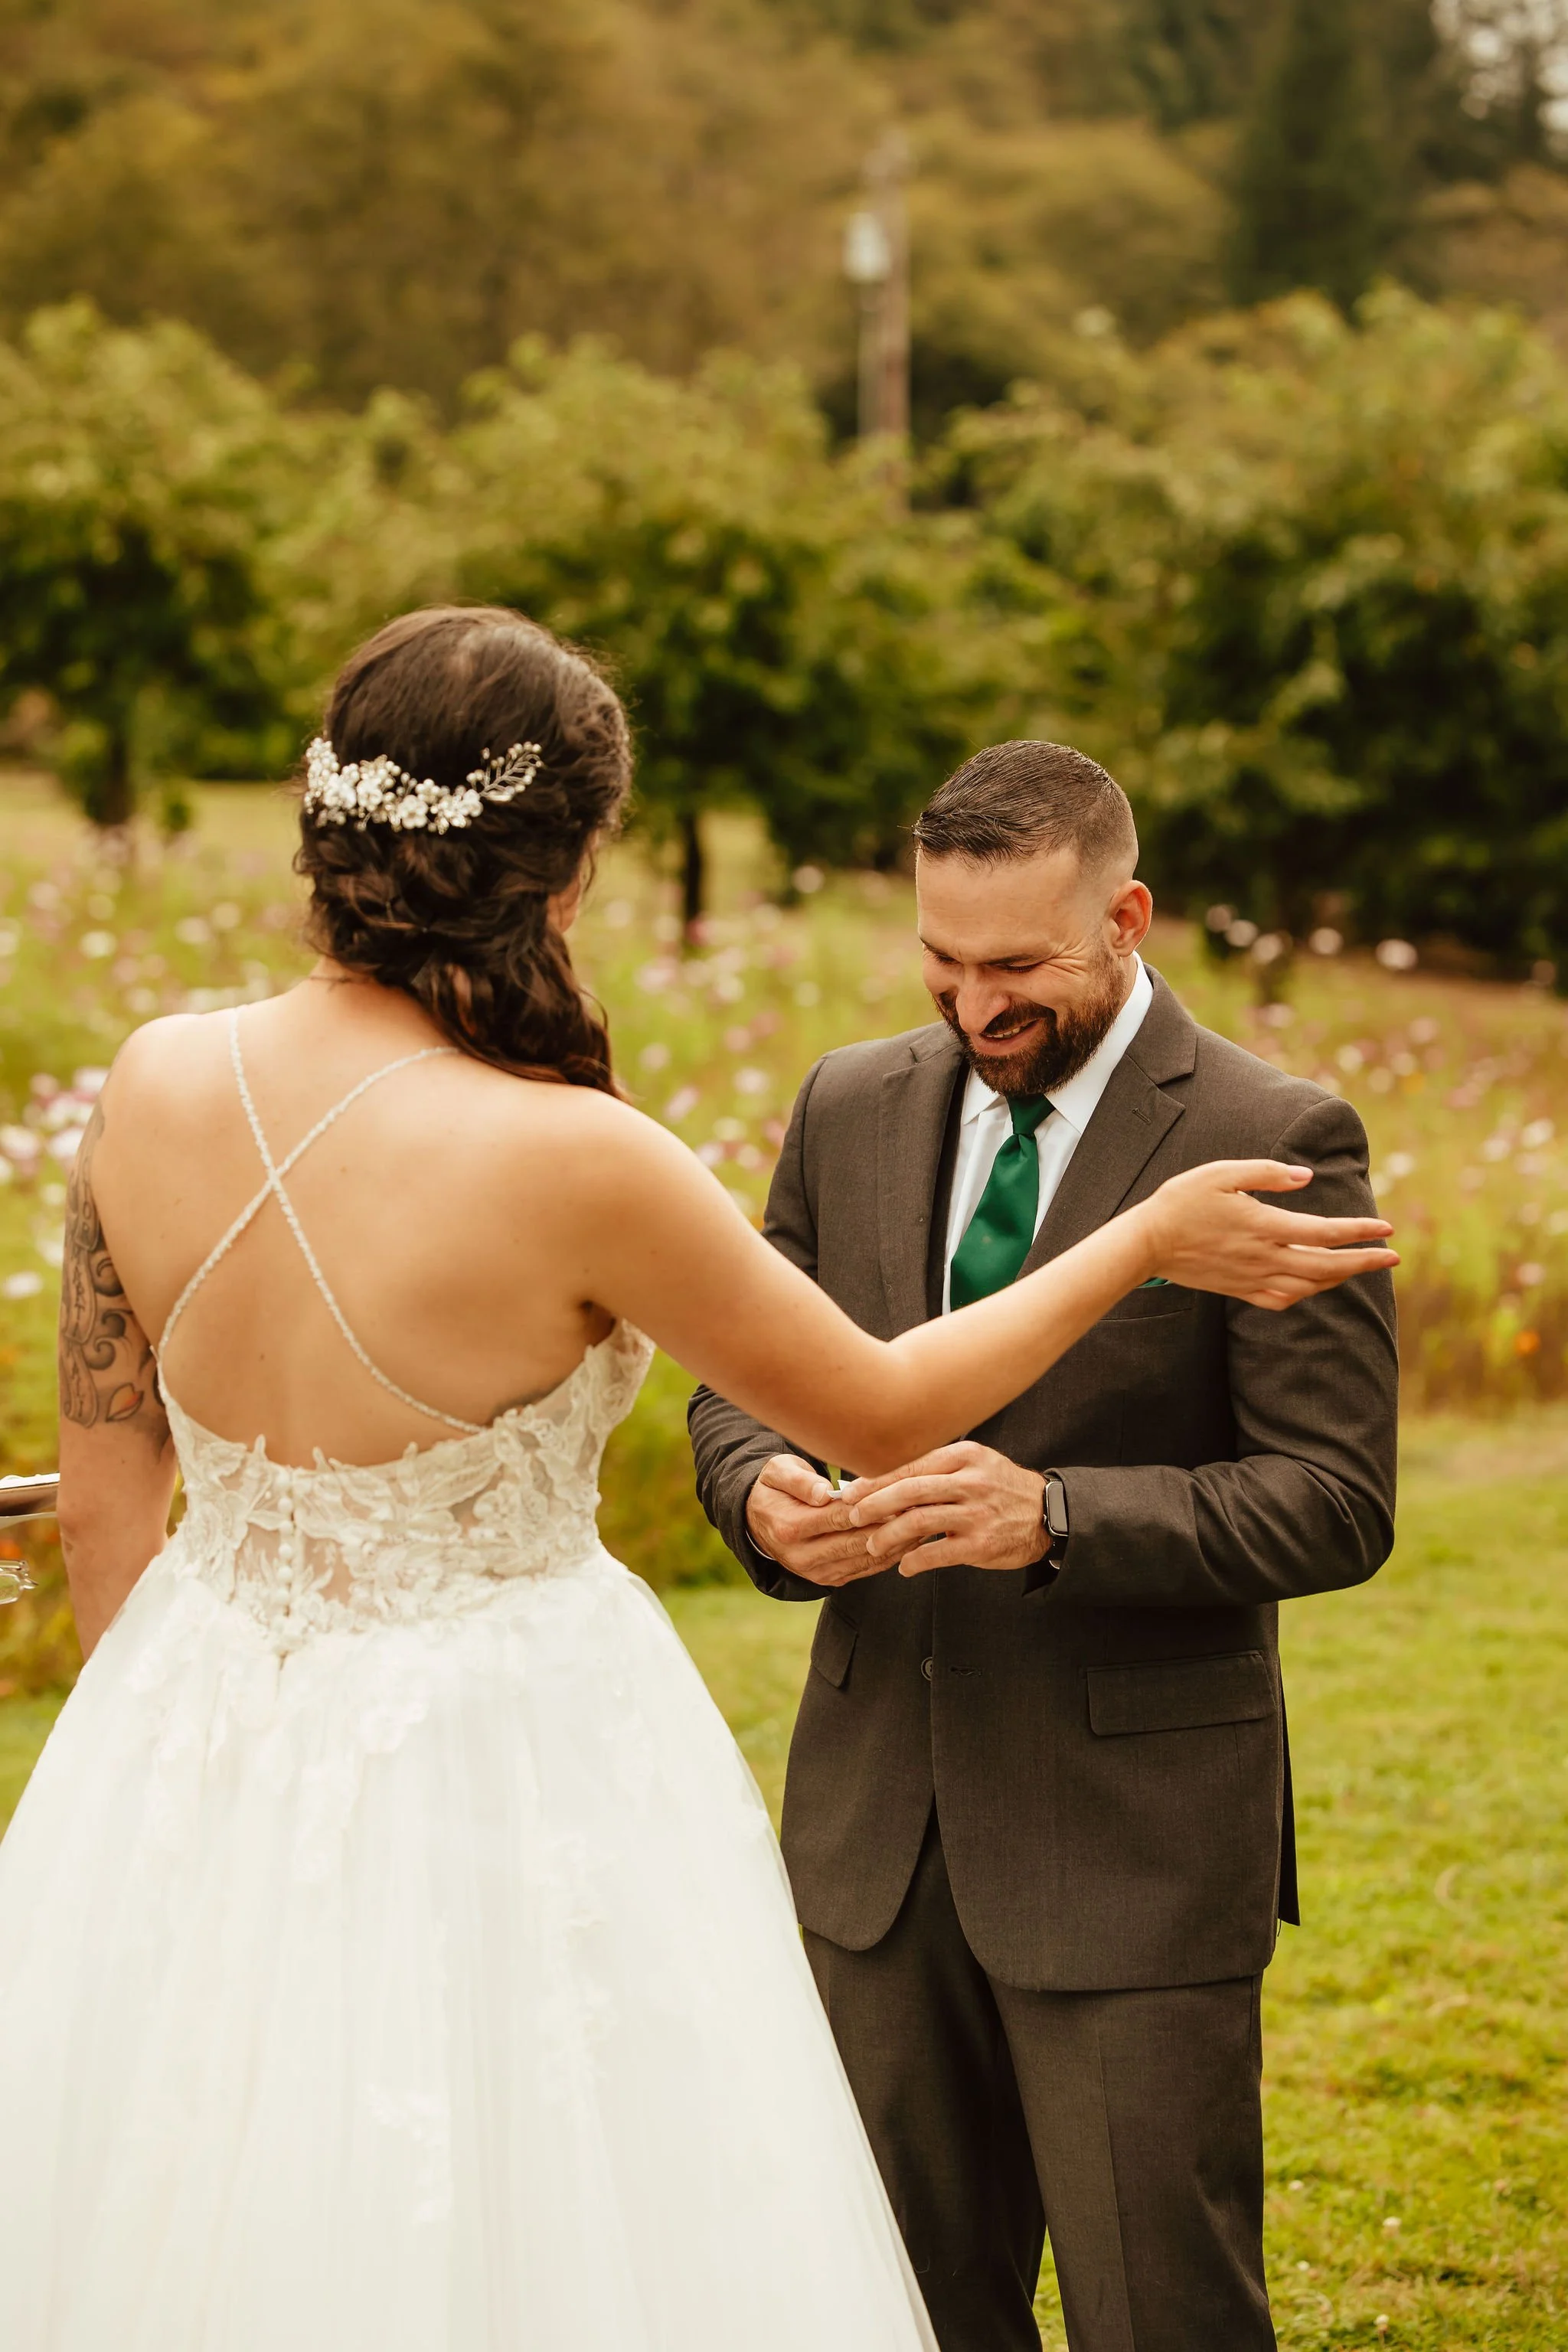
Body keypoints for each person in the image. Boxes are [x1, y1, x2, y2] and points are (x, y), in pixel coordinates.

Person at [0, 615, 1394, 2352]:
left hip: (193, 1762)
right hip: (511, 1776)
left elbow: (109, 1507)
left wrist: (187, 1800)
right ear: (570, 865)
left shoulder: (149, 1080)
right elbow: (879, 1405)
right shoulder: (579, 1155)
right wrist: (1142, 1243)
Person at [689, 740, 1401, 2352]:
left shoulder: (1274, 1130)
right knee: (897, 2313)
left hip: (1132, 1849)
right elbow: (739, 1381)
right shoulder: (849, 1103)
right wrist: (757, 1487)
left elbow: (1335, 1496)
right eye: (942, 961)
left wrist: (1056, 1517)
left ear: (1126, 919)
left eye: (1016, 967)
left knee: (1161, 2313)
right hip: (873, 1841)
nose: (973, 1004)